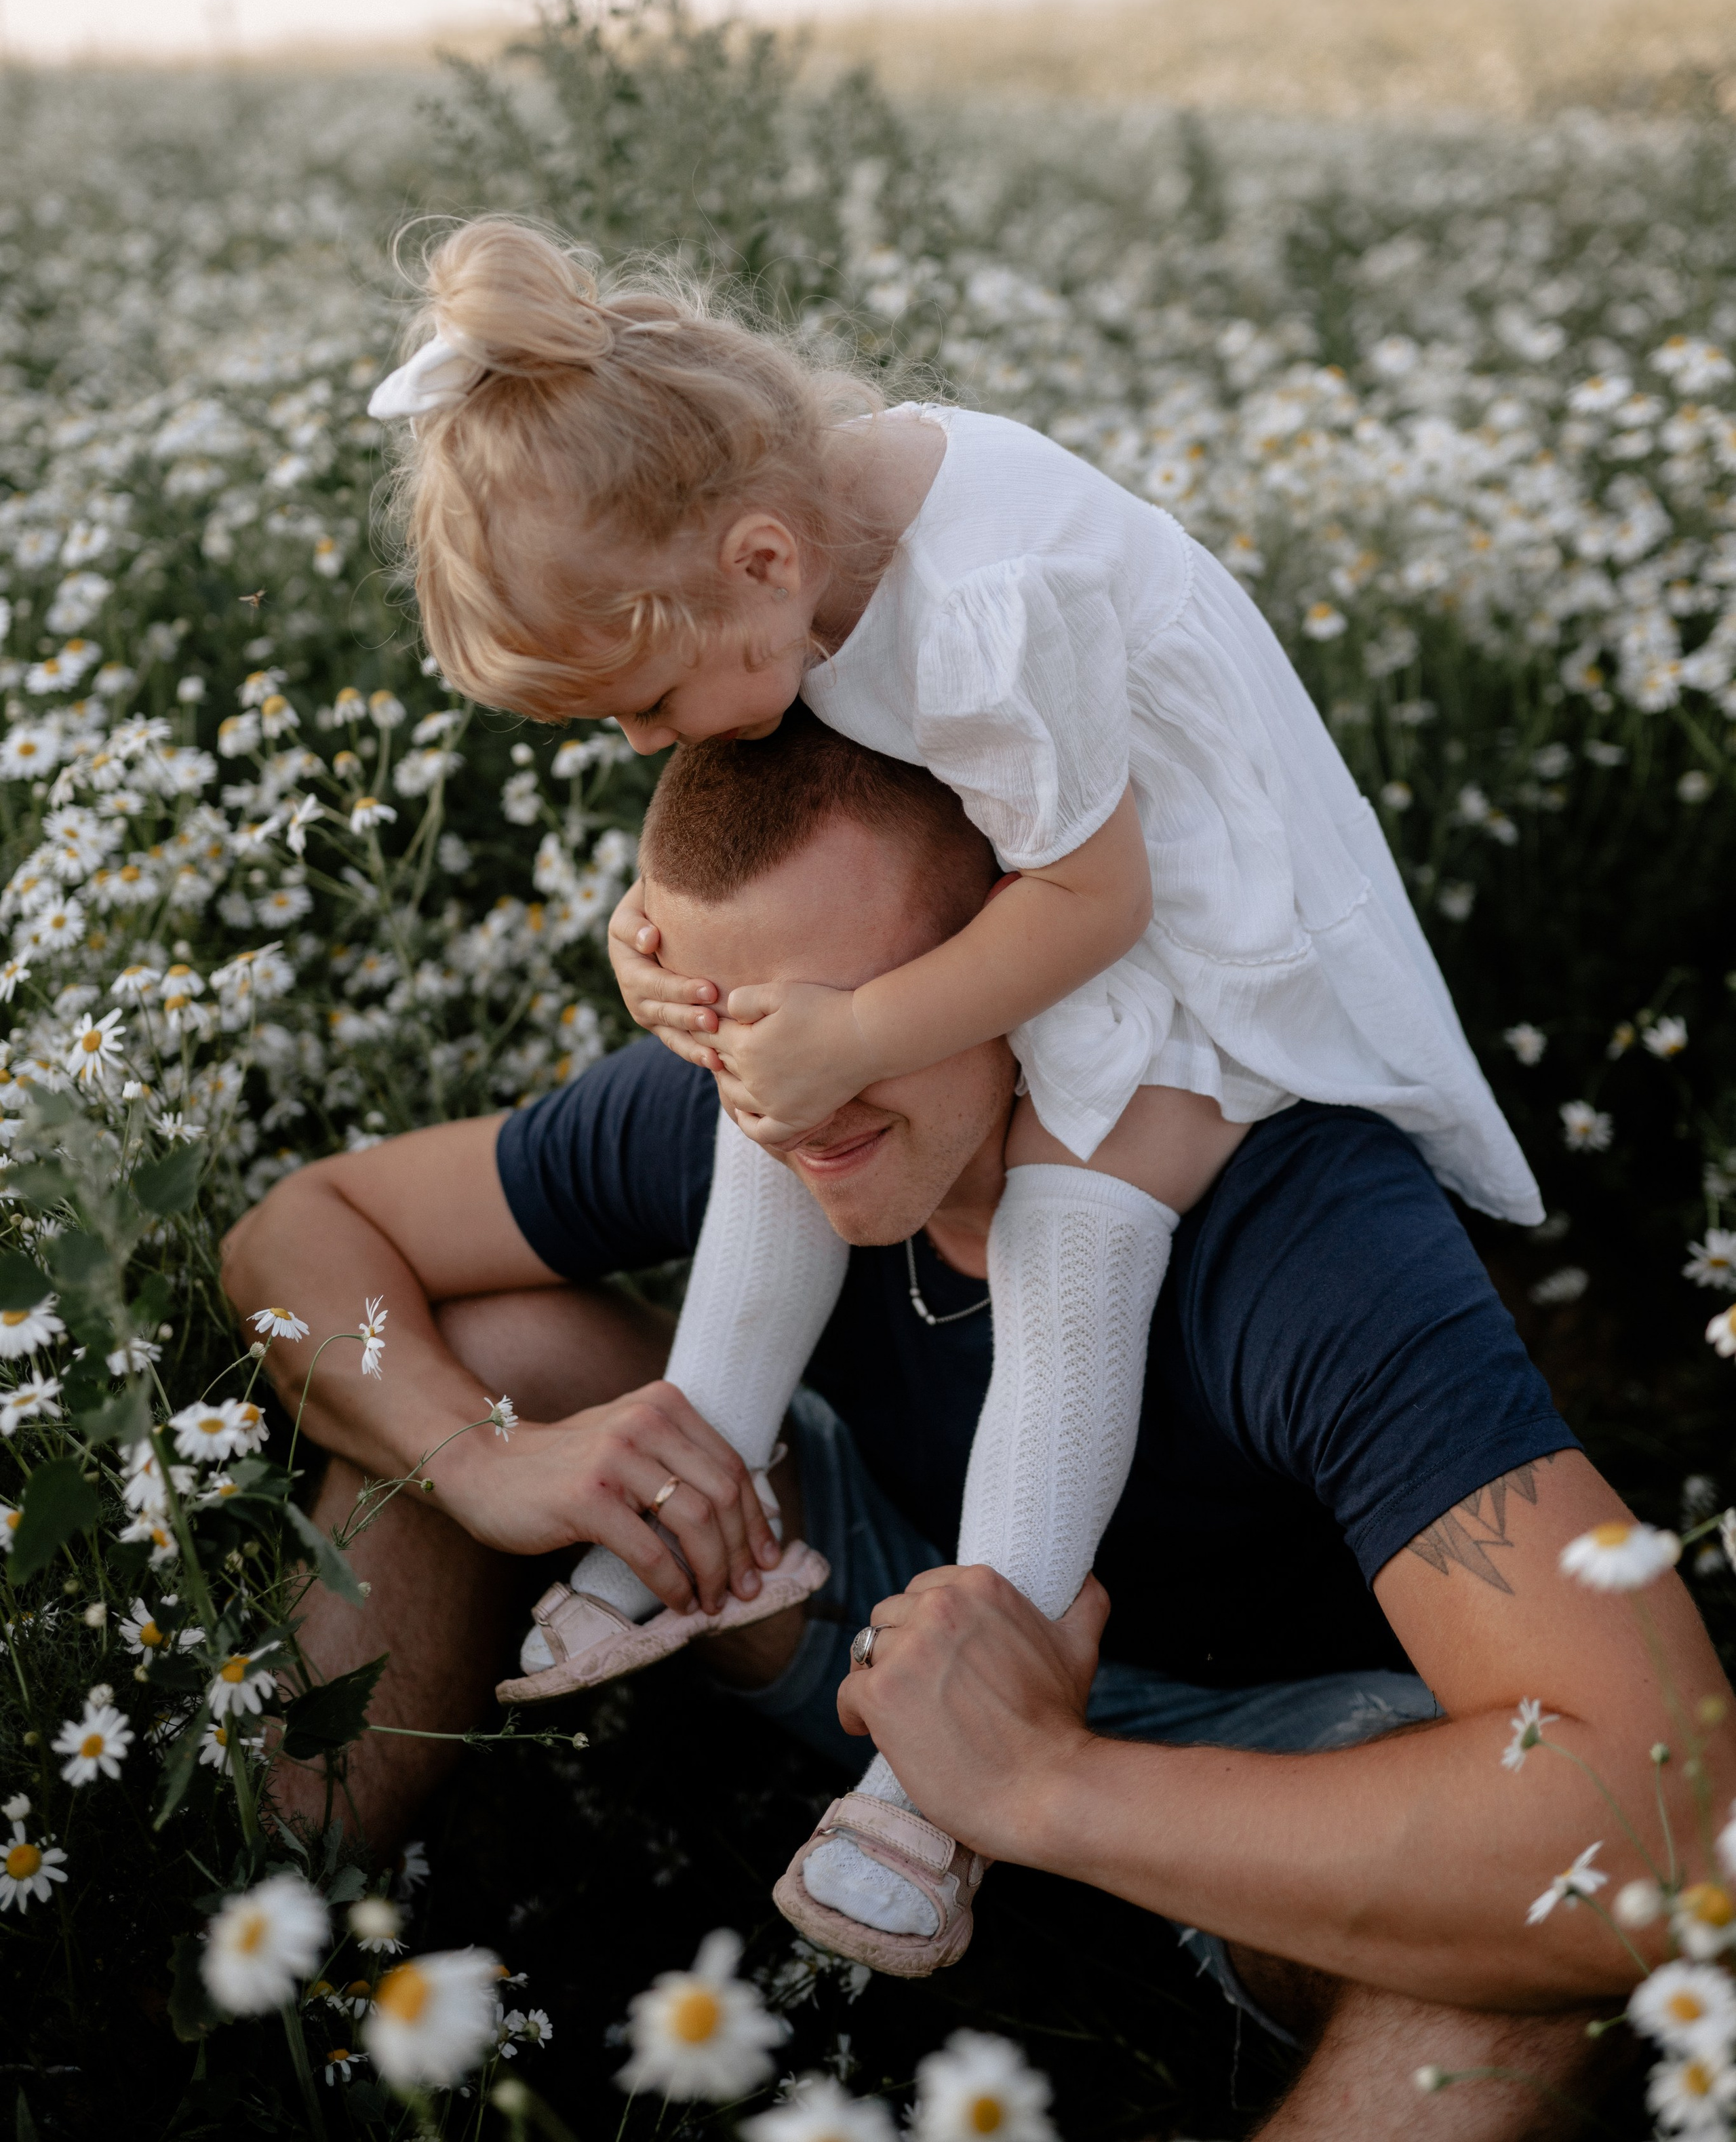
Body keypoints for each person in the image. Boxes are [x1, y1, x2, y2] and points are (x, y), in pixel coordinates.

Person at [226, 719, 1731, 2139]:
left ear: (1014, 962)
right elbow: (296, 1234)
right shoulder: (749, 1100)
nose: (791, 1095)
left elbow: (1666, 1819)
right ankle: (239, 1926)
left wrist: (1042, 1781)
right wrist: (484, 1457)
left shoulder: (1302, 1216)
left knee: (1532, 1958)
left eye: (850, 1020)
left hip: (1278, 1750)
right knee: (491, 1361)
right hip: (868, 1611)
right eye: (738, 1025)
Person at [363, 216, 1543, 1960]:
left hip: (1201, 946)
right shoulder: (792, 536)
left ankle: (936, 1768)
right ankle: (707, 1487)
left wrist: (850, 1035)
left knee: (1070, 1235)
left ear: (761, 558)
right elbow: (805, 800)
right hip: (1034, 882)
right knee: (768, 1105)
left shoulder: (984, 605)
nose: (646, 745)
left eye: (649, 699)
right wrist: (656, 936)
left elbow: (1100, 901)